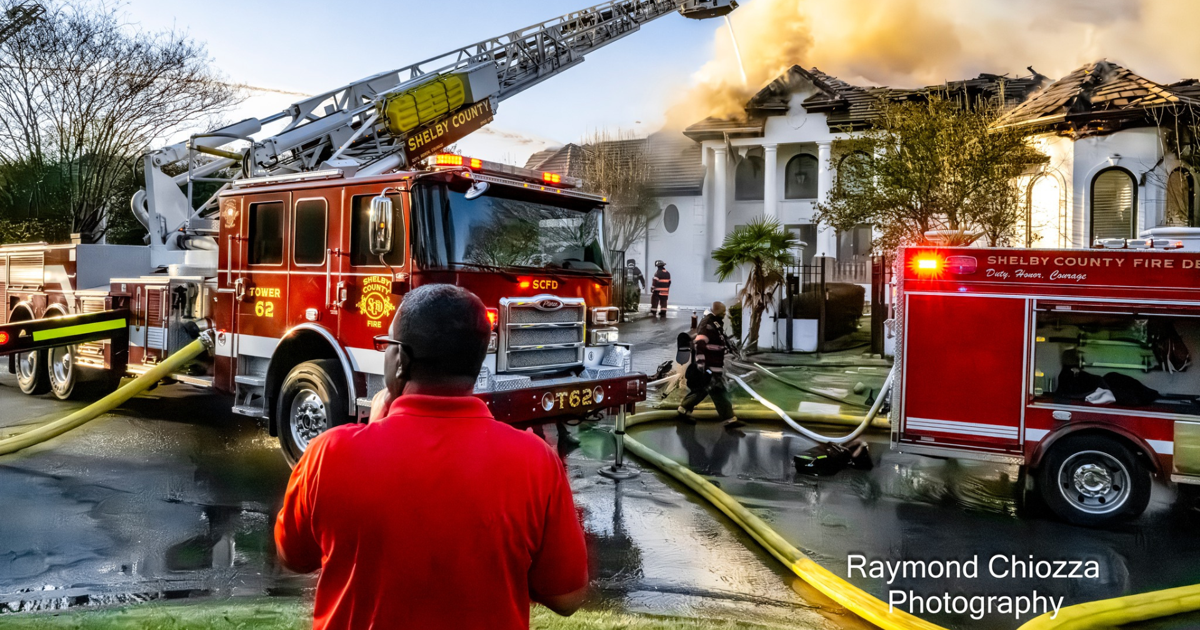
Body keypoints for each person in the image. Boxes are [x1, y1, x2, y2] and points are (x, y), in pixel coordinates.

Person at [276, 284, 589, 630]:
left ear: (401, 361)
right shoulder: (536, 462)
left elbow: (293, 556)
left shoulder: (329, 454)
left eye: (387, 345)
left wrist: (371, 433)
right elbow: (567, 598)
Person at [678, 301, 744, 430]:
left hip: (714, 365)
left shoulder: (715, 324)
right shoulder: (708, 324)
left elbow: (721, 340)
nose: (725, 314)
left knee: (707, 390)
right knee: (715, 390)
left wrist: (731, 349)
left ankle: (684, 410)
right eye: (723, 312)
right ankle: (729, 420)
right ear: (716, 311)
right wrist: (702, 365)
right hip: (709, 366)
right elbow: (700, 344)